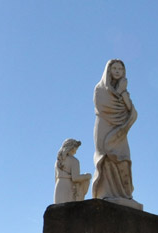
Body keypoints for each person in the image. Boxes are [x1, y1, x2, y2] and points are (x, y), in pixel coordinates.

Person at [92, 58, 139, 206]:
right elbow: (102, 107)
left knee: (123, 159)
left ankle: (123, 194)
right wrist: (118, 92)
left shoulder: (124, 91)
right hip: (105, 126)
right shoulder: (100, 89)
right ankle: (106, 192)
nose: (118, 71)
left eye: (120, 69)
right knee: (106, 158)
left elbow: (131, 111)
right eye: (115, 68)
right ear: (108, 71)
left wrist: (122, 93)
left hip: (120, 130)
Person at [53, 138, 91, 204]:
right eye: (76, 148)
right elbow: (75, 178)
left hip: (59, 187)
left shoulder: (58, 161)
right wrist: (87, 176)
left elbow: (55, 179)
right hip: (68, 188)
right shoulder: (74, 161)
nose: (76, 150)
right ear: (72, 148)